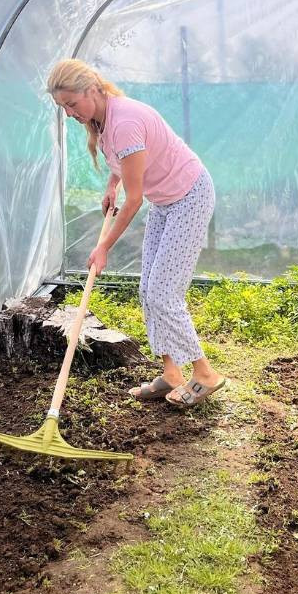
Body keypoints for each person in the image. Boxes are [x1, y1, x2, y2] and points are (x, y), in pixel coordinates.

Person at [47, 59, 227, 407]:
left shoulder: (125, 122)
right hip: (166, 201)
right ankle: (171, 374)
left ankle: (205, 373)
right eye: (62, 107)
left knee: (164, 293)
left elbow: (134, 201)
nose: (69, 113)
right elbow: (127, 166)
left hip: (188, 196)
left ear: (92, 90)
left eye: (71, 103)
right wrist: (112, 183)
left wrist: (103, 248)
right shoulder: (103, 118)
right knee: (148, 289)